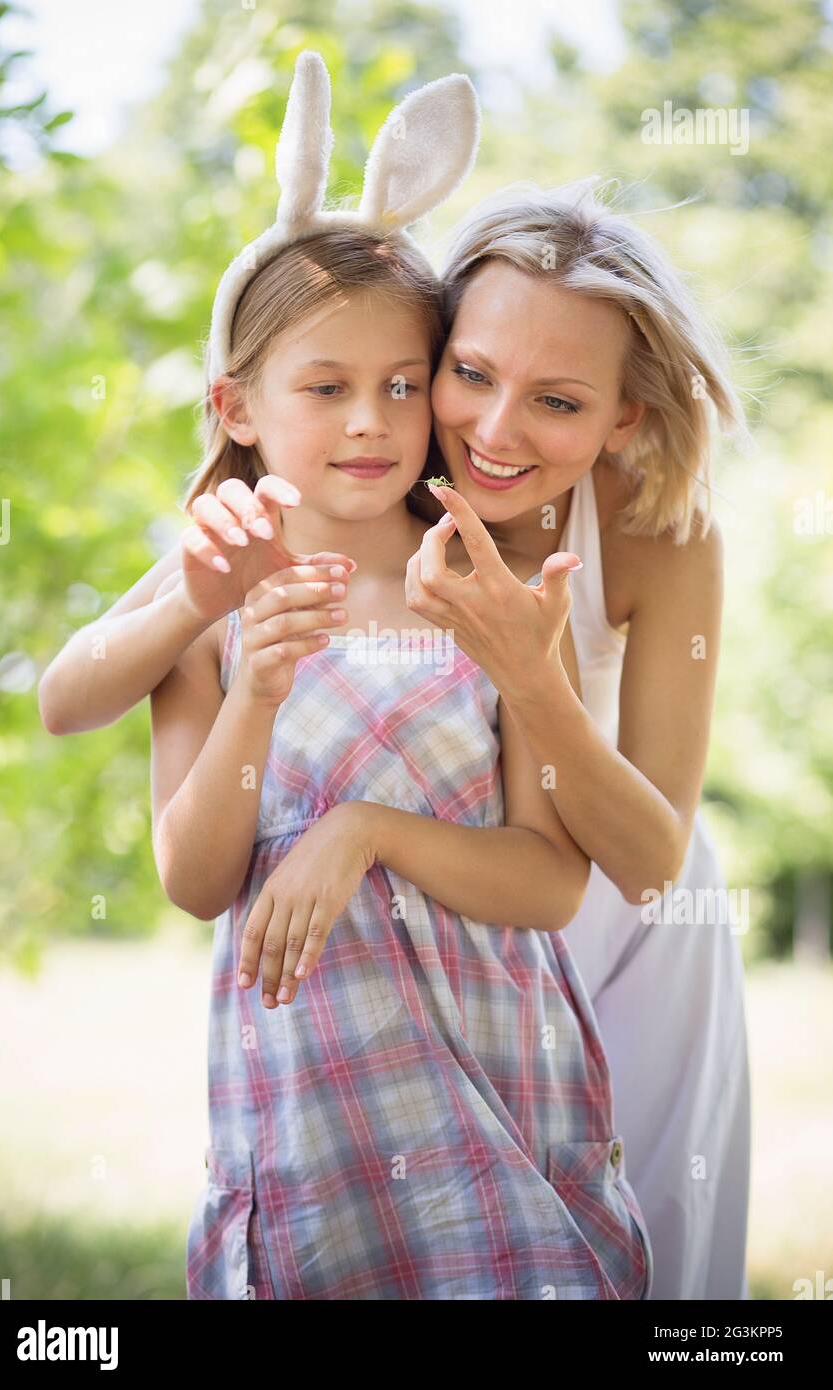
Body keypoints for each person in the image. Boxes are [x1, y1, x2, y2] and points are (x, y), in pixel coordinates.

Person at [41, 54, 652, 1300]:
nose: (372, 422)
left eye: (403, 385)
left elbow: (545, 881)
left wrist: (364, 833)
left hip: (495, 1085)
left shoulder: (482, 573)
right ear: (240, 404)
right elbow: (185, 863)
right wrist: (235, 662)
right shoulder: (218, 575)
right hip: (314, 1101)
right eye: (325, 389)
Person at [403, 178, 752, 1299]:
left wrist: (528, 670)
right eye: (471, 373)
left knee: (652, 1257)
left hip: (634, 930)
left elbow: (650, 860)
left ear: (622, 418)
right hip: (448, 905)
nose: (493, 432)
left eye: (555, 402)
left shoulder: (659, 532)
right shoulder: (371, 473)